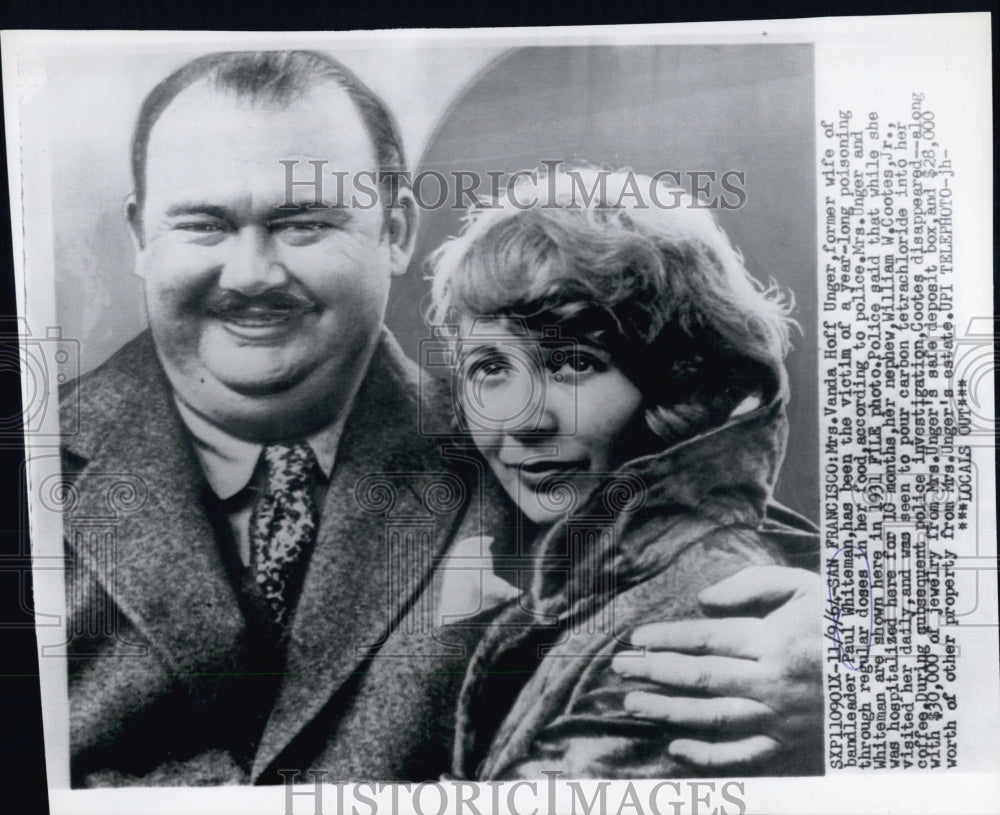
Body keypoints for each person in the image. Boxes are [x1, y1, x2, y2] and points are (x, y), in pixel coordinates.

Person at [58, 50, 822, 786]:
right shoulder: (33, 461)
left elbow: (701, 504)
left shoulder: (515, 457)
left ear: (394, 231)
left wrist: (866, 649)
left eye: (304, 223)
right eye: (204, 224)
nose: (252, 273)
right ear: (139, 235)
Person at [428, 167, 823, 779]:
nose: (519, 420)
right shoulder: (589, 587)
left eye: (574, 364)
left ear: (680, 386)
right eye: (489, 369)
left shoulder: (705, 618)